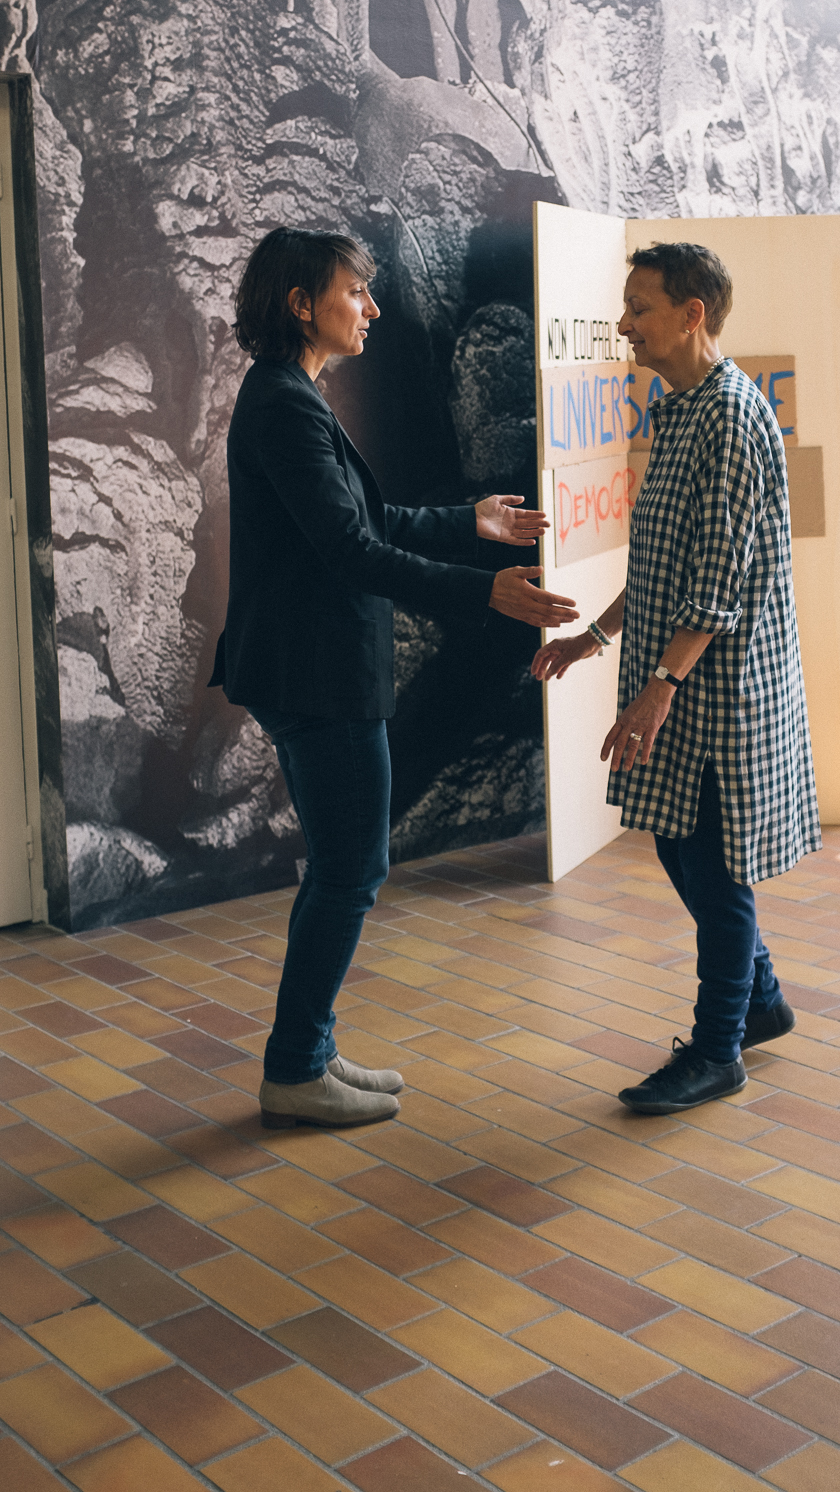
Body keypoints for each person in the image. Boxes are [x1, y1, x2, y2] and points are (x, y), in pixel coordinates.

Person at [211, 227, 577, 1129]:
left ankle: (309, 1051)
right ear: (303, 304)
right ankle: (296, 1067)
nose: (372, 307)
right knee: (351, 869)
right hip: (316, 674)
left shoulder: (289, 394)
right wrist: (487, 590)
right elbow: (353, 550)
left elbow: (368, 519)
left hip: (313, 669)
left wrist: (470, 522)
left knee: (344, 866)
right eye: (355, 291)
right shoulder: (284, 404)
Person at [533, 242, 820, 1114]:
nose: (624, 324)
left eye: (639, 307)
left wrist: (658, 688)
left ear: (692, 314)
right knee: (677, 842)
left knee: (713, 865)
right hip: (680, 672)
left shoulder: (730, 414)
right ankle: (759, 1000)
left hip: (718, 686)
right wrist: (593, 637)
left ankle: (718, 1049)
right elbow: (664, 564)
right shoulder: (682, 410)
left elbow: (718, 582)